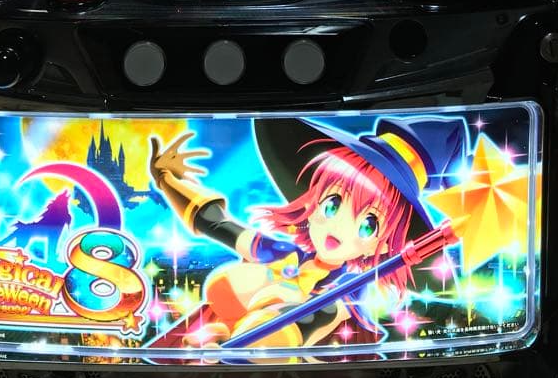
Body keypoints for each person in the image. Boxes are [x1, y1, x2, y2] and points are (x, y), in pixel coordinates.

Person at [148, 115, 466, 351]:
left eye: (368, 224)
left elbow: (309, 320)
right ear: (312, 203)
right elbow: (216, 223)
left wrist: (238, 345)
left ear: (379, 247)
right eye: (332, 204)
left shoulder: (347, 291)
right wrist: (165, 179)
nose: (339, 226)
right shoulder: (280, 254)